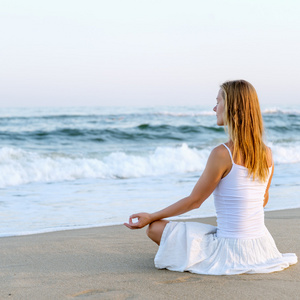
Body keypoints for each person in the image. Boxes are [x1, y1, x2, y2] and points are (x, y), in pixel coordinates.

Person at [124, 80, 297, 275]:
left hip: (230, 249)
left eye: (218, 101)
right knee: (209, 230)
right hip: (262, 245)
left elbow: (194, 201)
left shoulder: (223, 153)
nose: (215, 108)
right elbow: (263, 200)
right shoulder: (267, 153)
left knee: (155, 228)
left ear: (232, 107)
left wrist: (151, 216)